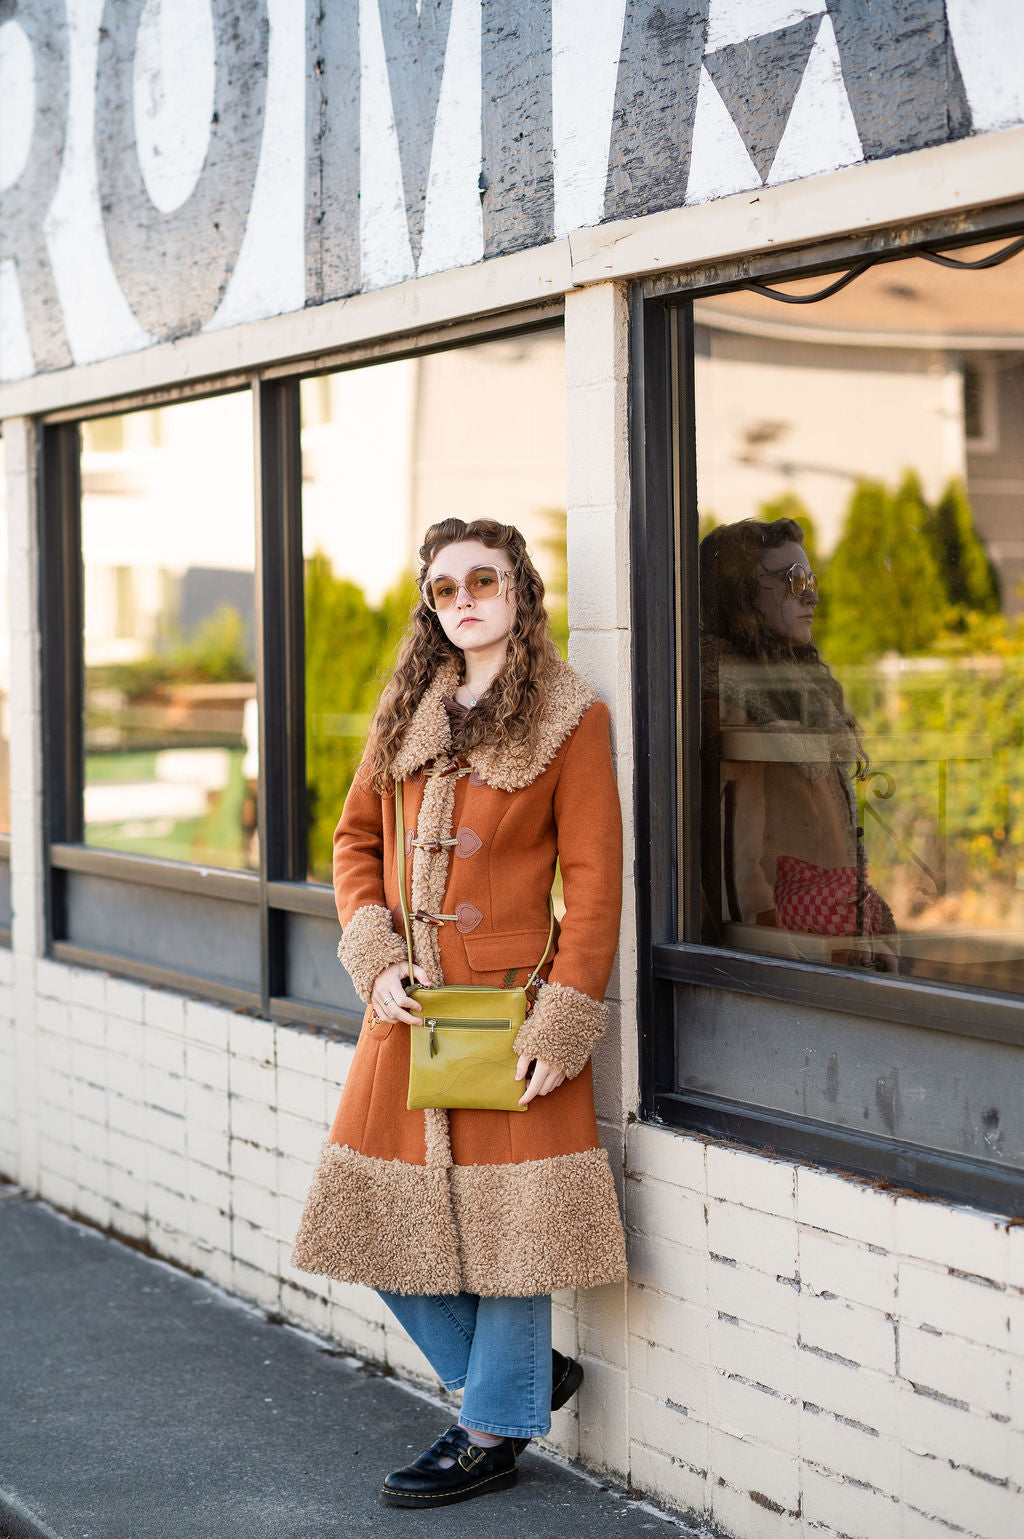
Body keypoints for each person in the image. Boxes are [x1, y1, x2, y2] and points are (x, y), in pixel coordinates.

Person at [291, 517, 626, 1507]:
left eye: (484, 579)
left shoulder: (572, 719)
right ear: (430, 610)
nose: (466, 598)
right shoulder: (405, 712)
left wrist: (563, 1018)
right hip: (406, 1009)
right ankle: (515, 1384)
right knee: (361, 1220)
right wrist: (374, 951)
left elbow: (597, 884)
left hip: (511, 1010)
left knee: (516, 1229)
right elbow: (354, 843)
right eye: (445, 588)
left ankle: (487, 1428)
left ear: (519, 590)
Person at [700, 516, 896, 970]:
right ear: (740, 593)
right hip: (794, 957)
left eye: (811, 578)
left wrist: (866, 934)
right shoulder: (724, 700)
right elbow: (737, 872)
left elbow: (831, 847)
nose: (811, 594)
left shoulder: (794, 692)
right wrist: (792, 964)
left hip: (828, 943)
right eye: (793, 580)